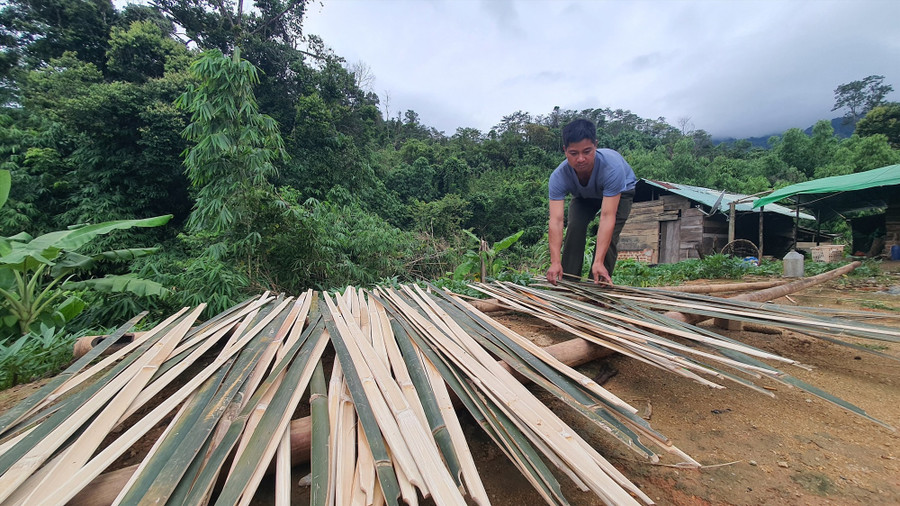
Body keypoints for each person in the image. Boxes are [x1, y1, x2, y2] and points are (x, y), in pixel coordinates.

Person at [546, 119, 636, 285]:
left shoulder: (612, 168)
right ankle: (568, 283)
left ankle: (599, 283)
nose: (581, 159)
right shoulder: (559, 176)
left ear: (596, 145)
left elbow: (607, 217)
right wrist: (555, 262)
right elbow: (556, 221)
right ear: (565, 151)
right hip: (583, 195)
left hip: (621, 192)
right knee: (575, 227)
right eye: (574, 153)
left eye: (587, 152)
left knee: (610, 236)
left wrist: (598, 261)